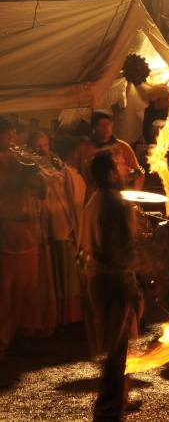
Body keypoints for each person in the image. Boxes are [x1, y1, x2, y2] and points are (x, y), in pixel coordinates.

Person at [80, 150, 144, 421]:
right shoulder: (116, 203)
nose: (127, 169)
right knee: (117, 351)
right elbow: (124, 252)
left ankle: (119, 400)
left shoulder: (95, 199)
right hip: (114, 282)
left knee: (119, 346)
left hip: (98, 280)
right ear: (110, 174)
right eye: (120, 166)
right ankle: (108, 411)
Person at [0, 118, 55, 361]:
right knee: (6, 293)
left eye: (13, 133)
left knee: (29, 289)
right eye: (8, 134)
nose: (12, 138)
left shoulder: (17, 157)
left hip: (30, 235)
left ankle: (23, 334)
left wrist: (36, 178)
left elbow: (46, 184)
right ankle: (2, 341)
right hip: (9, 235)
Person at [29, 131, 86, 326]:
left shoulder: (58, 165)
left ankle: (68, 316)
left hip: (62, 225)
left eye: (45, 145)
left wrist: (63, 171)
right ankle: (51, 317)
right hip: (45, 228)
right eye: (38, 145)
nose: (42, 149)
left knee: (66, 274)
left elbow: (75, 180)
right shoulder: (29, 169)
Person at [68, 110, 144, 202]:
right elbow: (69, 173)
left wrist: (131, 198)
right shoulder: (82, 149)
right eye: (101, 125)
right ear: (94, 128)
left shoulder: (123, 148)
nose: (106, 128)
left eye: (108, 124)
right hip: (90, 198)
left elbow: (138, 174)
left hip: (118, 198)